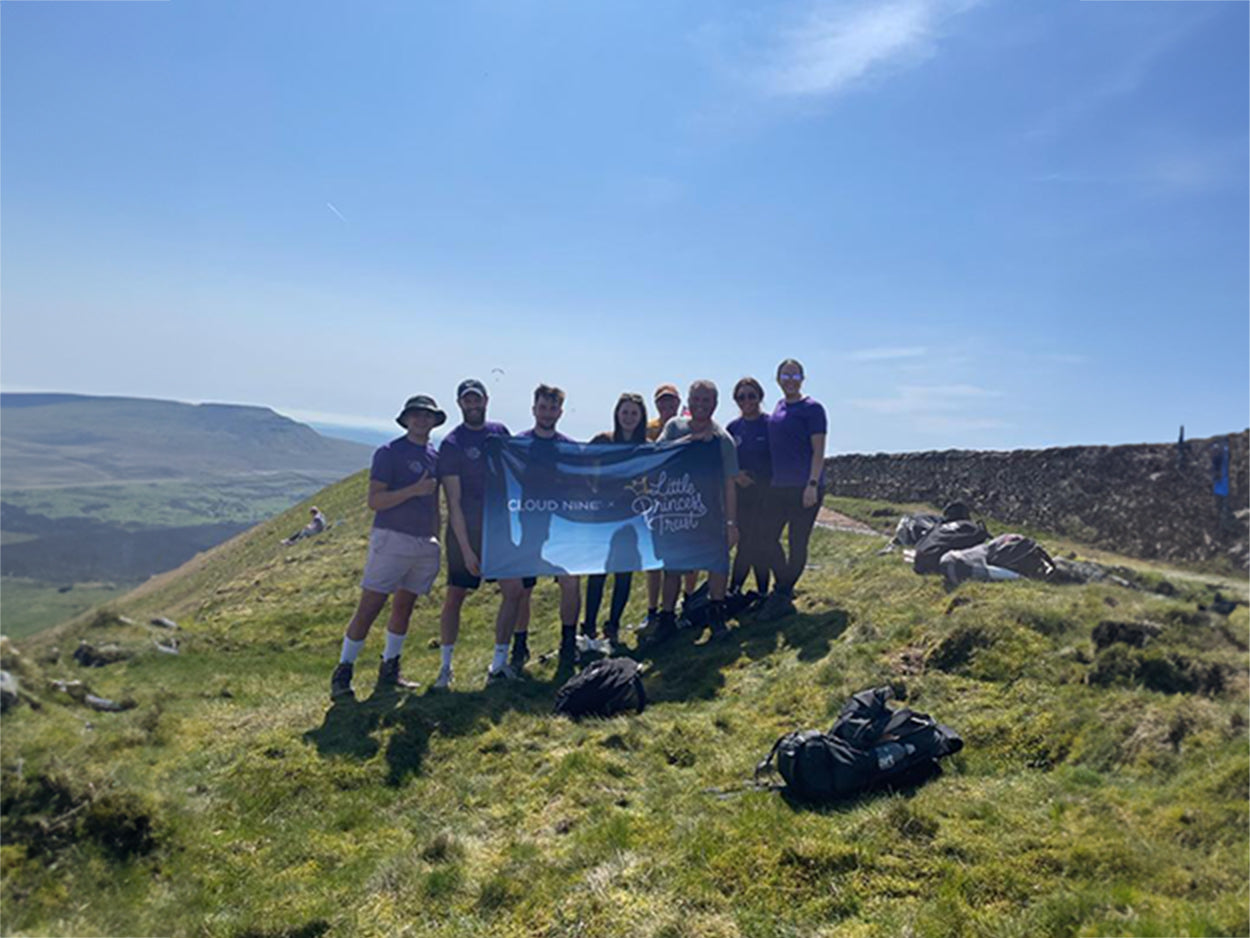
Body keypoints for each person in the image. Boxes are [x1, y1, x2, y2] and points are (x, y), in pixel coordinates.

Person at [330, 396, 444, 698]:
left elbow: (433, 502)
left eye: (427, 415)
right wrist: (413, 490)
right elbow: (375, 501)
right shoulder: (389, 453)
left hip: (423, 543)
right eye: (416, 415)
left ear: (434, 421)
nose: (422, 420)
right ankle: (344, 671)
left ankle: (390, 667)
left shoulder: (434, 456)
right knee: (370, 606)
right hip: (391, 538)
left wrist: (437, 537)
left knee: (404, 607)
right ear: (406, 419)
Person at [436, 379, 533, 688]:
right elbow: (454, 502)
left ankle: (499, 662)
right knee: (456, 595)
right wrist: (466, 549)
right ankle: (445, 667)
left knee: (514, 591)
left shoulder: (500, 432)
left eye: (477, 399)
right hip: (467, 530)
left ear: (486, 400)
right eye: (467, 400)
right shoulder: (452, 443)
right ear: (459, 403)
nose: (473, 404)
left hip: (500, 528)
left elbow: (518, 469)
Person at [649, 379, 739, 646]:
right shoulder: (674, 428)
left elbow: (730, 484)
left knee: (718, 563)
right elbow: (657, 455)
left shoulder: (723, 441)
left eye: (707, 401)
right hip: (677, 510)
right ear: (688, 402)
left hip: (710, 513)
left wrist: (732, 522)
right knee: (673, 568)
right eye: (696, 400)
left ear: (715, 404)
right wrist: (690, 440)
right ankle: (667, 620)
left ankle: (717, 615)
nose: (701, 405)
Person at [511, 385, 583, 667]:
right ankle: (520, 644)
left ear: (560, 412)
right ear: (533, 409)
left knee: (570, 582)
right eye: (542, 407)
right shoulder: (517, 445)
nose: (547, 413)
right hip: (526, 526)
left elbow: (581, 486)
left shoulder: (570, 448)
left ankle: (567, 642)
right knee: (524, 589)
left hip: (562, 529)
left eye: (552, 408)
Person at [757, 359, 827, 622]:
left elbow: (819, 450)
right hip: (780, 486)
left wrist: (812, 484)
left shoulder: (813, 409)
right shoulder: (779, 407)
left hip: (805, 486)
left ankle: (782, 593)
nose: (790, 379)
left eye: (795, 375)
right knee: (766, 537)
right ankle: (783, 588)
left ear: (802, 379)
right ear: (778, 380)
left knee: (798, 542)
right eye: (785, 375)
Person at [584, 392, 648, 649]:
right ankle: (588, 628)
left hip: (631, 517)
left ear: (641, 417)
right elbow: (577, 461)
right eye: (625, 412)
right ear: (617, 414)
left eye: (634, 413)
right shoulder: (603, 440)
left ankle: (613, 626)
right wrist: (593, 490)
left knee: (624, 573)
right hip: (602, 515)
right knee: (597, 573)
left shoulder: (647, 446)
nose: (629, 417)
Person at [726, 377, 779, 598]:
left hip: (767, 492)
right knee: (745, 542)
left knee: (764, 541)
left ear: (760, 397)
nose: (746, 401)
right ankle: (735, 589)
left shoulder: (771, 425)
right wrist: (736, 476)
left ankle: (765, 589)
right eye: (741, 397)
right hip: (741, 495)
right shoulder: (733, 428)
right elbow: (725, 462)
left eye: (751, 396)